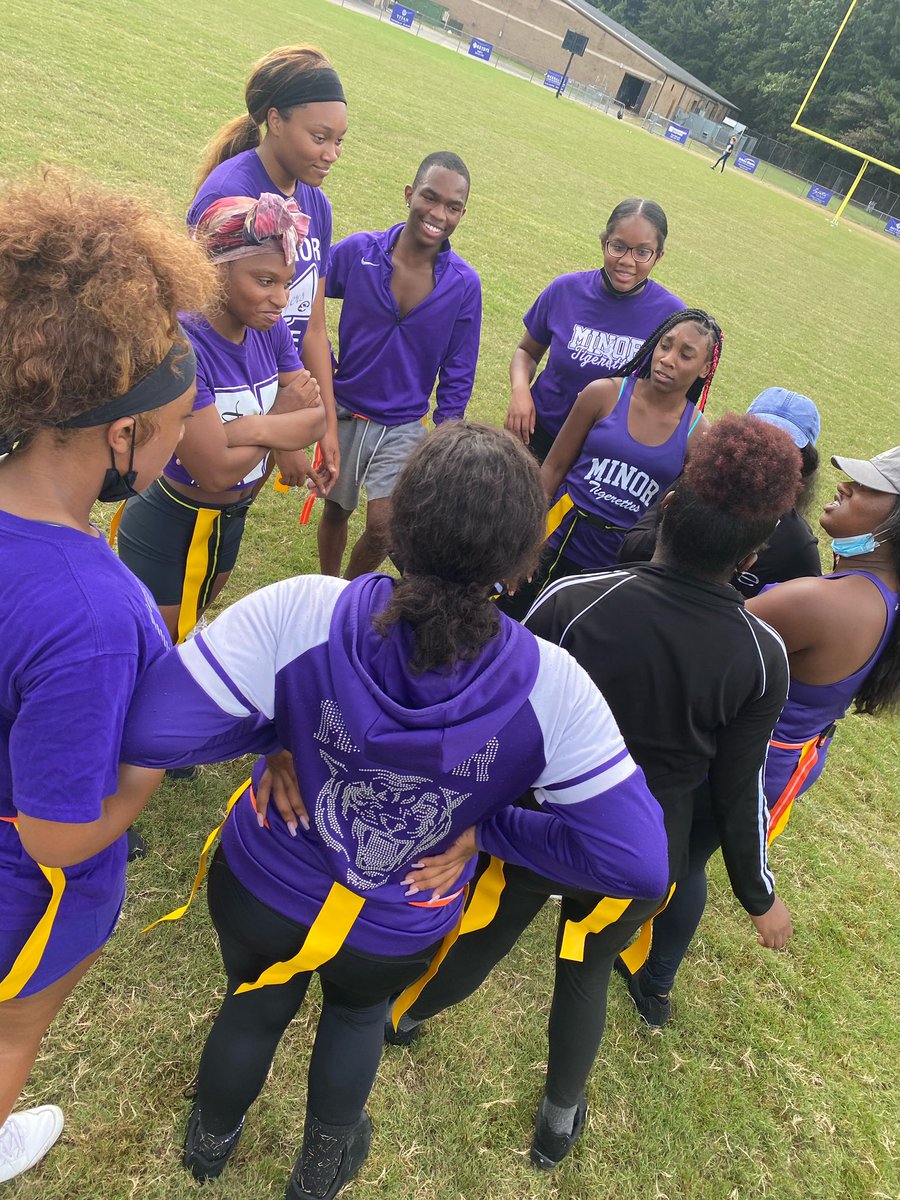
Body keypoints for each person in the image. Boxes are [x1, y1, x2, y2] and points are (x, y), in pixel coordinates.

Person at [121, 423, 668, 1199]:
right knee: (353, 1019)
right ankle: (317, 1172)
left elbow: (151, 729)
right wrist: (485, 827)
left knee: (253, 1001)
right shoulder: (556, 687)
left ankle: (209, 1144)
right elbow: (638, 861)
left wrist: (277, 737)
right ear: (520, 562)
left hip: (268, 877)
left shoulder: (304, 610)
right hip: (397, 918)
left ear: (398, 526)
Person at [384, 416, 798, 1169]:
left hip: (542, 821)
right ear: (753, 553)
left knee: (486, 932)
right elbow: (742, 795)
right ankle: (557, 1121)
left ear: (668, 506)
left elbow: (495, 705)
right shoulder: (762, 654)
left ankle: (401, 1020)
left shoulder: (577, 598)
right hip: (643, 850)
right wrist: (758, 894)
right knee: (587, 971)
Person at [0, 172, 216, 1184]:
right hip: (23, 892)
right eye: (178, 426)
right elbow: (53, 831)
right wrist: (142, 776)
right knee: (8, 1036)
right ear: (122, 437)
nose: (183, 441)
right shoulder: (93, 608)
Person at [627, 444, 900, 1023]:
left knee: (683, 860)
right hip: (788, 755)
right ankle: (654, 978)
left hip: (745, 758)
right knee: (689, 855)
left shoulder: (820, 602)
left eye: (869, 487)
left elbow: (703, 632)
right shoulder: (873, 596)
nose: (846, 484)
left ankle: (652, 976)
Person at [117, 193, 327, 644]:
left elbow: (316, 416)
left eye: (286, 283)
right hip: (173, 522)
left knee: (189, 629)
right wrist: (277, 423)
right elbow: (213, 470)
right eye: (265, 280)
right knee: (157, 649)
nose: (281, 299)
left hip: (232, 518)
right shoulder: (184, 345)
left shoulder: (265, 329)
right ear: (215, 270)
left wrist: (250, 428)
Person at [189, 45, 348, 494]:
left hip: (276, 390)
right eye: (319, 138)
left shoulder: (317, 204)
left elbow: (313, 325)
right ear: (275, 121)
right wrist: (280, 428)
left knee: (231, 523)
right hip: (224, 403)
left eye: (339, 141)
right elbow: (201, 322)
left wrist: (324, 426)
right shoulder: (227, 194)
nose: (331, 153)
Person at [317, 151, 481, 578]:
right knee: (336, 509)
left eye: (453, 207)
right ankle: (327, 584)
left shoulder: (464, 285)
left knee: (385, 528)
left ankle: (346, 594)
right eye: (430, 197)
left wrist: (446, 439)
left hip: (405, 425)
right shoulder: (360, 253)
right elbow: (306, 298)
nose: (438, 214)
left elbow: (459, 372)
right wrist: (322, 369)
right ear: (409, 194)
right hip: (345, 412)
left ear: (463, 213)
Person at [500, 308, 720, 620]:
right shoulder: (603, 393)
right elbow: (553, 467)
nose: (668, 359)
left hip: (615, 565)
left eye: (686, 355)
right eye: (665, 345)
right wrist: (523, 544)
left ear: (704, 368)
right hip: (557, 536)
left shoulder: (698, 434)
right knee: (506, 624)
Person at [505, 197, 684, 459]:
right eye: (618, 246)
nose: (627, 260)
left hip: (605, 455)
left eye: (642, 252)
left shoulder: (672, 317)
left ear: (658, 256)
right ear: (604, 243)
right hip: (539, 434)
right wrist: (520, 392)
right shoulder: (565, 290)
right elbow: (526, 352)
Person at [617, 386, 823, 598]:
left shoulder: (798, 546)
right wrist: (675, 528)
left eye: (785, 448)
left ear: (802, 465)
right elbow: (630, 550)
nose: (765, 454)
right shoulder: (698, 483)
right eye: (758, 437)